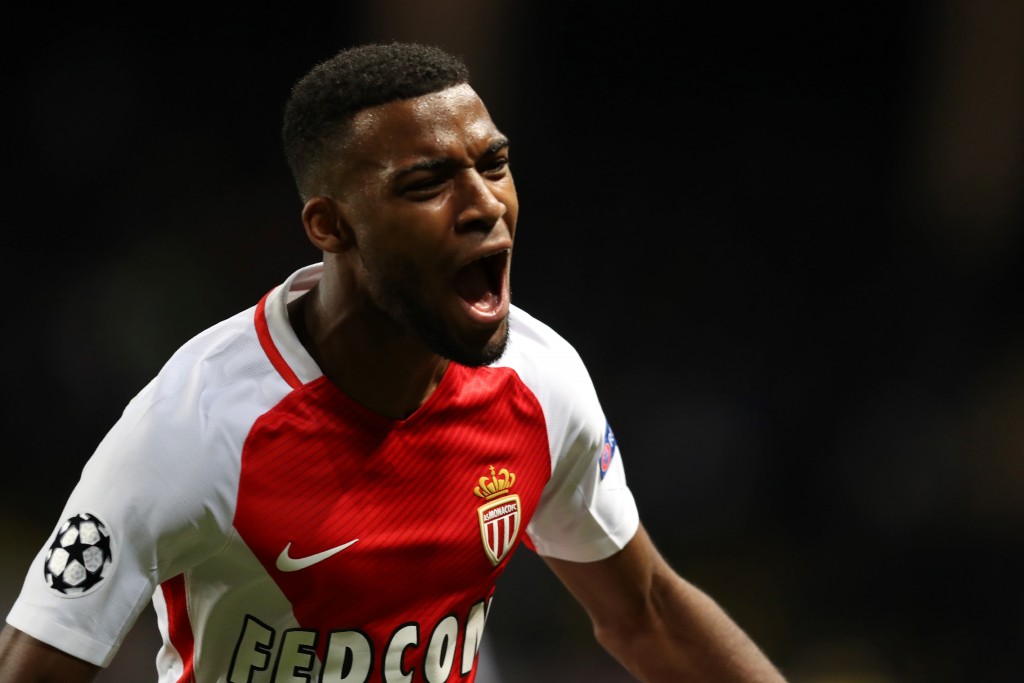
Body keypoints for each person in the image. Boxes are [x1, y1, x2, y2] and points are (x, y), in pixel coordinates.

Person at [0, 42, 787, 683]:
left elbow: (646, 615)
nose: (483, 202)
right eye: (428, 183)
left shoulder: (539, 385)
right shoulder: (194, 428)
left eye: (494, 162)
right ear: (331, 224)